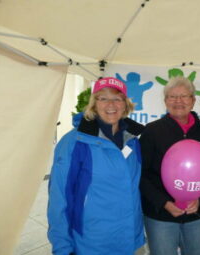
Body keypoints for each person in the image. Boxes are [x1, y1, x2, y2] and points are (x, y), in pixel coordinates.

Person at [47, 77, 145, 255]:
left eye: (117, 98)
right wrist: (62, 247)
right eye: (103, 98)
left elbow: (135, 189)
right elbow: (59, 197)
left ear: (125, 105)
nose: (111, 104)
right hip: (92, 243)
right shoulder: (74, 142)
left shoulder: (132, 141)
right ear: (94, 104)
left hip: (131, 239)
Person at [139, 76, 200, 255]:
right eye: (172, 97)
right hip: (161, 217)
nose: (178, 101)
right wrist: (163, 202)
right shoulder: (152, 131)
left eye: (184, 96)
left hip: (195, 216)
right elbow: (141, 174)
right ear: (165, 101)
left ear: (193, 100)